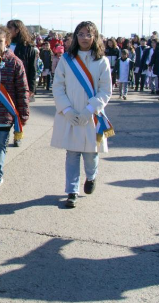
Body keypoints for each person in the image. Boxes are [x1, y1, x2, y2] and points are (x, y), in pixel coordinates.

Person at [51, 21, 112, 209]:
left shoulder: (101, 61)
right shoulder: (66, 59)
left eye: (88, 34)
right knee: (72, 153)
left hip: (91, 114)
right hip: (70, 113)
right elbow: (58, 86)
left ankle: (91, 176)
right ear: (75, 36)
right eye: (81, 34)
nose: (84, 38)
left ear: (95, 37)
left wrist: (90, 109)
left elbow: (105, 90)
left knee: (90, 153)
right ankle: (72, 191)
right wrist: (67, 110)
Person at [0, 25, 28, 197]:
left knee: (0, 146)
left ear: (7, 42)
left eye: (0, 42)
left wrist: (23, 114)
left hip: (5, 114)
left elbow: (22, 89)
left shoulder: (15, 62)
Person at [6, 20, 36, 98]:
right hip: (5, 84)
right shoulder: (4, 44)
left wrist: (31, 88)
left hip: (21, 84)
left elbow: (32, 69)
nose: (7, 30)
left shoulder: (28, 48)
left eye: (9, 28)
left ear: (17, 30)